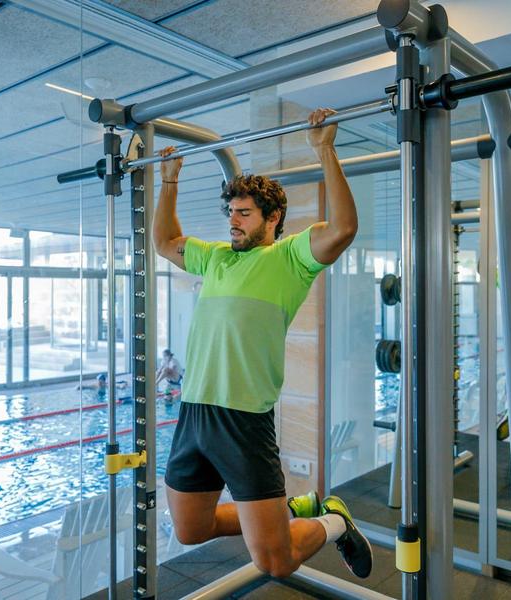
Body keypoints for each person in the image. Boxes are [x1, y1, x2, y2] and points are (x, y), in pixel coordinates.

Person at [153, 108, 371, 579]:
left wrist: (324, 149)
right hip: (194, 412)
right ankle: (294, 508)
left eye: (244, 214)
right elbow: (165, 239)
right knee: (191, 528)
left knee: (275, 563)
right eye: (230, 212)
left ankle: (334, 521)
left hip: (243, 420)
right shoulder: (214, 258)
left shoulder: (290, 257)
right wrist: (168, 180)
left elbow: (343, 229)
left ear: (273, 219)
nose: (233, 220)